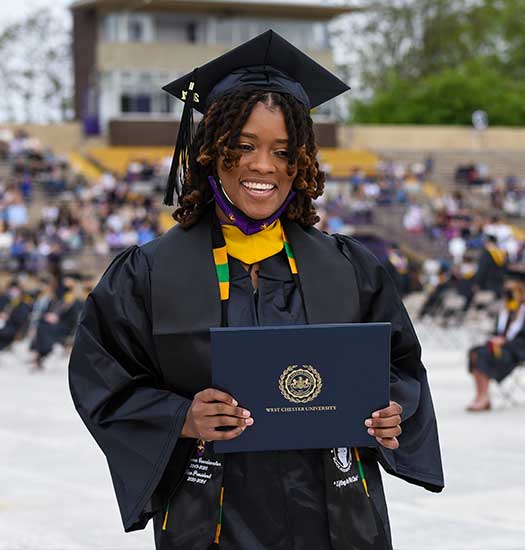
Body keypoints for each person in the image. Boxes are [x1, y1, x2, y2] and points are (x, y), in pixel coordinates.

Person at [68, 31, 443, 550]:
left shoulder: (349, 266)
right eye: (242, 146)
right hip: (213, 517)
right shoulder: (146, 274)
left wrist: (391, 411)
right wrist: (180, 417)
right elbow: (102, 379)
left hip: (336, 516)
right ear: (208, 151)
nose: (263, 165)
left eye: (283, 151)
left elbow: (400, 367)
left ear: (302, 161)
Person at [466, 271, 525, 411]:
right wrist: (495, 339)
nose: (508, 292)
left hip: (517, 351)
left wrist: (504, 342)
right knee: (474, 351)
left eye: (512, 289)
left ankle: (484, 397)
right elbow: (499, 332)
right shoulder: (507, 308)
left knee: (483, 354)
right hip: (503, 347)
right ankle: (481, 395)